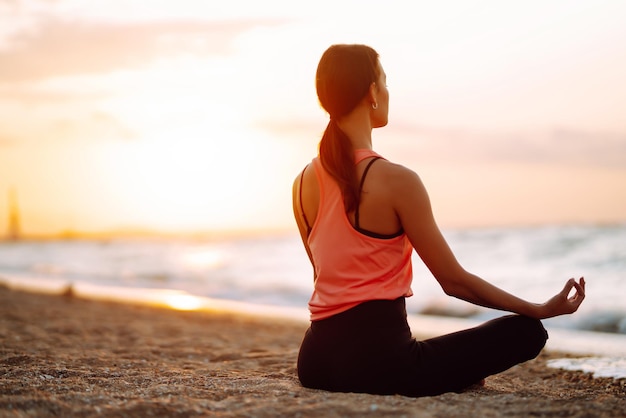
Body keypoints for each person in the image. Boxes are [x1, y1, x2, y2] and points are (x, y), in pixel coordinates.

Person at [291, 44, 586, 397]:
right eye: (384, 82)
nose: (387, 91)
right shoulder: (396, 180)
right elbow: (454, 282)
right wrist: (539, 308)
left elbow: (324, 279)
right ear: (371, 91)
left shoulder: (301, 182)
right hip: (379, 365)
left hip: (314, 362)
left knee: (435, 351)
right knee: (527, 332)